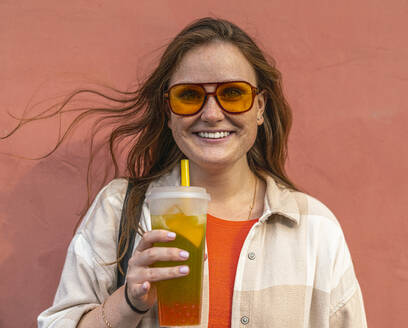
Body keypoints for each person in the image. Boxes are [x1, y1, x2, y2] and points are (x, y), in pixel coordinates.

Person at [37, 17, 367, 327]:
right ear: (169, 112)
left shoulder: (315, 229)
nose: (211, 114)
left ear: (260, 108)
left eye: (233, 93)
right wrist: (128, 302)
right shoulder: (119, 209)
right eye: (190, 95)